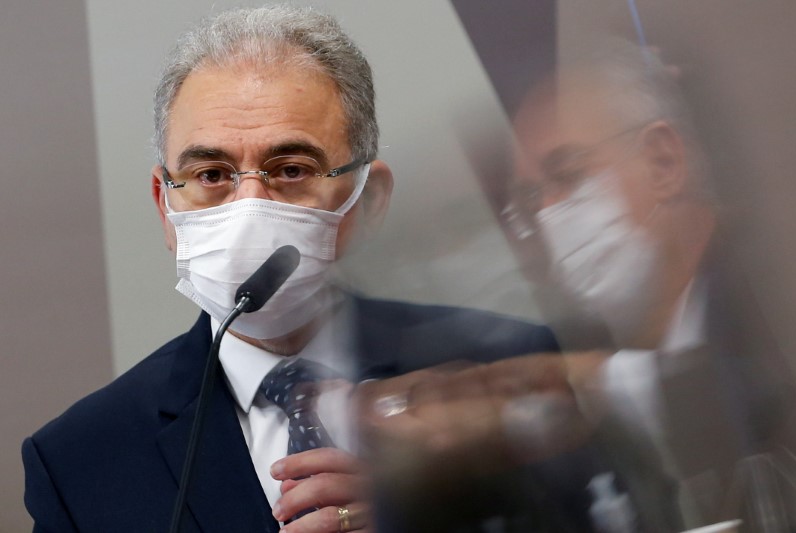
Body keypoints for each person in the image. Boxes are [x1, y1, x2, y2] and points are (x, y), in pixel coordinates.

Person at [21, 5, 562, 533]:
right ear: (166, 206)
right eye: (211, 174)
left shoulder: (514, 370)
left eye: (292, 169)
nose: (249, 207)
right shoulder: (79, 461)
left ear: (368, 200)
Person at [502, 41, 796, 529]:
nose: (550, 216)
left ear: (664, 162)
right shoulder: (610, 401)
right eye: (533, 198)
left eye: (568, 174)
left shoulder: (776, 315)